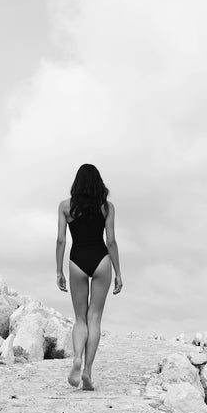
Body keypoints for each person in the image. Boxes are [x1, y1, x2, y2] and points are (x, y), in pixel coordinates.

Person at [55, 164, 122, 390]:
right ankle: (87, 371)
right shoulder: (107, 207)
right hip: (101, 259)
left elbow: (61, 240)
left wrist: (59, 270)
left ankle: (76, 358)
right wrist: (118, 272)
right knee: (94, 318)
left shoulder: (65, 206)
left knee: (80, 319)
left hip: (77, 261)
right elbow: (111, 241)